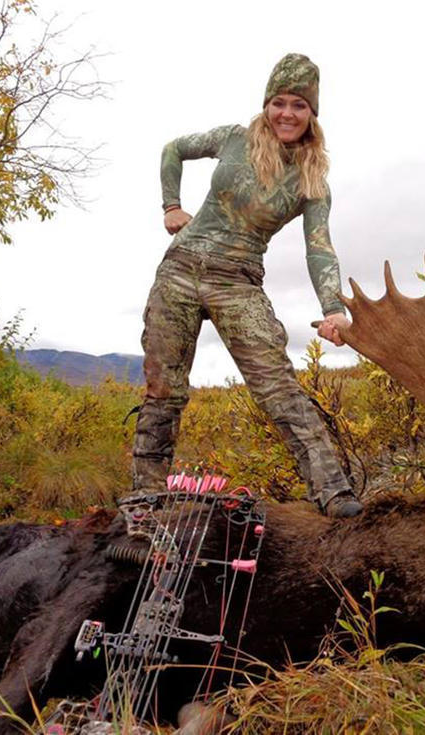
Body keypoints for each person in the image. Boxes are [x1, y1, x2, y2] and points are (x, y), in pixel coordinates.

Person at [131, 53, 362, 518]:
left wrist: (333, 306)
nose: (287, 114)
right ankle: (146, 501)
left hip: (238, 281)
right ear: (267, 104)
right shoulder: (233, 139)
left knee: (278, 387)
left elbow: (318, 247)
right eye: (279, 102)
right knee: (164, 390)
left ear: (311, 113)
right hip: (179, 271)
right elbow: (173, 149)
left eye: (299, 104)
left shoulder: (312, 180)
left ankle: (333, 492)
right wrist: (170, 206)